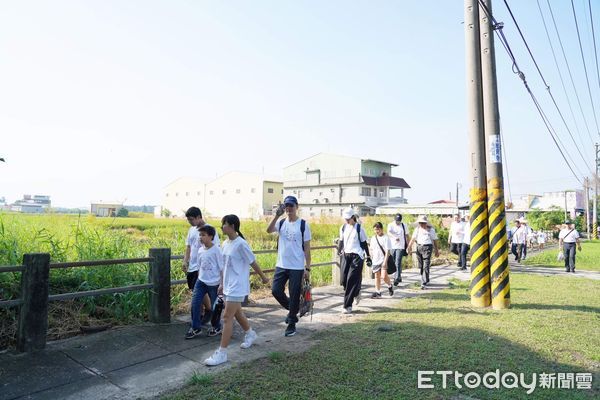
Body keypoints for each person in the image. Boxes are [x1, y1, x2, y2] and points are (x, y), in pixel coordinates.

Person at [204, 215, 269, 366]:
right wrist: (221, 284)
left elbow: (252, 261)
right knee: (237, 312)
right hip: (227, 285)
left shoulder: (241, 244)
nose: (221, 227)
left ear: (232, 226)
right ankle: (250, 333)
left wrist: (263, 277)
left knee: (227, 317)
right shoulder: (226, 243)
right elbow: (224, 266)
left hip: (238, 286)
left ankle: (222, 353)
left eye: (224, 224)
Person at [267, 195, 312, 337]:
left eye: (291, 206)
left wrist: (307, 268)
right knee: (275, 291)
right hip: (281, 264)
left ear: (296, 207)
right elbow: (268, 230)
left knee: (294, 294)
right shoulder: (281, 223)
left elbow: (307, 248)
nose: (289, 208)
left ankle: (292, 322)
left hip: (297, 266)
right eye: (286, 206)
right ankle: (294, 309)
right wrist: (276, 216)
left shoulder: (303, 225)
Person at [186, 225, 223, 339]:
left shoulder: (217, 250)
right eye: (200, 235)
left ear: (211, 236)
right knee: (195, 304)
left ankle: (216, 326)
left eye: (203, 235)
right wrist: (198, 278)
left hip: (214, 283)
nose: (200, 237)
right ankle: (196, 327)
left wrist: (222, 284)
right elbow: (199, 265)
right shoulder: (201, 250)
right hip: (201, 281)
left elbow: (222, 268)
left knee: (215, 308)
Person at [184, 207, 220, 323]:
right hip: (193, 265)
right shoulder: (191, 230)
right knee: (195, 291)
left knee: (197, 292)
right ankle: (204, 313)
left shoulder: (210, 230)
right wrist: (185, 260)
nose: (190, 222)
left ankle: (203, 314)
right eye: (188, 220)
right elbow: (188, 246)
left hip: (203, 267)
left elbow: (216, 248)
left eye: (192, 219)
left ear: (199, 217)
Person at [338, 207, 371, 314]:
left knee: (351, 280)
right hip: (346, 255)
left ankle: (347, 306)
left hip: (357, 256)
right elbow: (341, 241)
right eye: (345, 219)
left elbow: (364, 243)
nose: (347, 221)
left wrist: (368, 256)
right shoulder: (343, 227)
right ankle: (356, 292)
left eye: (348, 219)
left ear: (353, 217)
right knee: (343, 280)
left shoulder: (359, 228)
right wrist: (339, 251)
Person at [407, 215, 439, 290]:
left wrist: (436, 250)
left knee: (426, 264)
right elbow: (413, 239)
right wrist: (409, 247)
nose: (422, 224)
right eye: (421, 223)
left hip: (428, 247)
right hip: (419, 247)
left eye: (423, 223)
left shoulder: (431, 230)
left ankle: (423, 282)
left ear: (426, 223)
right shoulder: (417, 229)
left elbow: (435, 240)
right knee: (421, 265)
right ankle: (425, 278)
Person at [369, 222, 393, 298]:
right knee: (377, 276)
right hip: (375, 260)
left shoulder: (386, 238)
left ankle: (390, 285)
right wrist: (371, 257)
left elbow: (388, 251)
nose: (376, 231)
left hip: (383, 260)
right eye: (375, 230)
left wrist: (385, 262)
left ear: (382, 229)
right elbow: (371, 249)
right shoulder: (373, 238)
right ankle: (378, 292)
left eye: (378, 229)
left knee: (383, 276)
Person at [386, 213, 409, 286]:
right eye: (397, 220)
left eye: (399, 221)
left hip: (400, 246)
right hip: (392, 246)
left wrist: (408, 245)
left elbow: (407, 235)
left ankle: (396, 278)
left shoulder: (404, 225)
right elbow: (388, 232)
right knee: (393, 262)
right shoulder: (390, 225)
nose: (398, 222)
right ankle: (398, 276)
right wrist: (394, 237)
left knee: (398, 262)